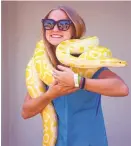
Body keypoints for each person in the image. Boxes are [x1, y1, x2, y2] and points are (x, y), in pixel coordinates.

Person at [21, 5, 129, 146]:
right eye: (49, 24)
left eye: (63, 25)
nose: (55, 29)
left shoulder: (87, 61)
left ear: (74, 29)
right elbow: (26, 112)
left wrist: (78, 81)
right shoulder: (40, 66)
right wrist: (50, 94)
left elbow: (122, 89)